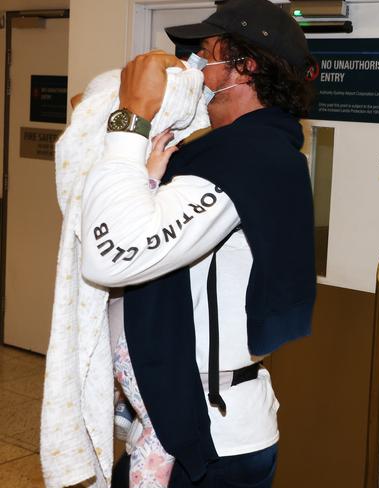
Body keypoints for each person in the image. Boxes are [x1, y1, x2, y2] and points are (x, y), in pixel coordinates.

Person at [80, 0, 316, 486]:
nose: (194, 69)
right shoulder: (233, 151)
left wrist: (132, 119)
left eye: (206, 55)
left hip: (210, 434)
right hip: (180, 417)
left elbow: (109, 256)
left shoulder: (246, 160)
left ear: (244, 67)